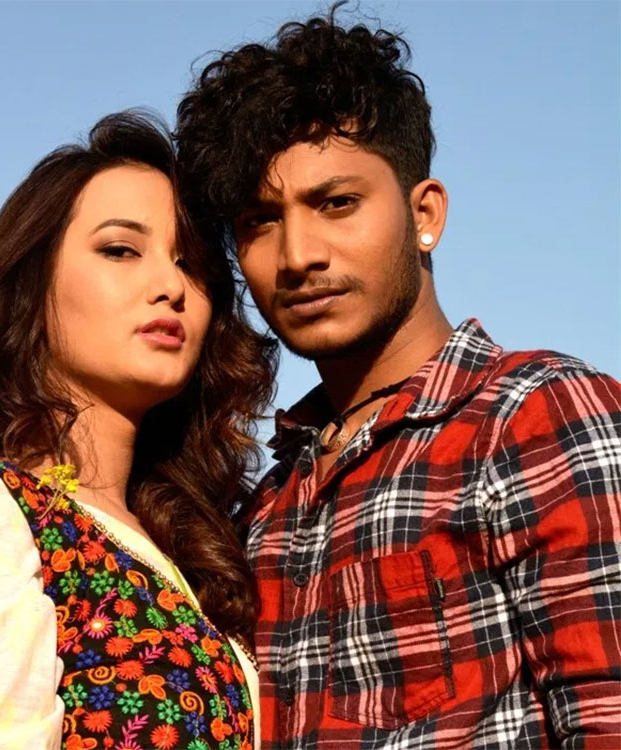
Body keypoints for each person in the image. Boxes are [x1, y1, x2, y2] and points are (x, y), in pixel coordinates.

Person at [175, 6, 621, 749]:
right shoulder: (263, 507)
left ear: (425, 215)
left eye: (337, 203)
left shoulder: (537, 415)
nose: (298, 254)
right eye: (259, 220)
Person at [0, 111, 276, 749]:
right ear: (32, 287)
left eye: (191, 264)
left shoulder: (195, 550)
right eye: (120, 250)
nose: (170, 285)